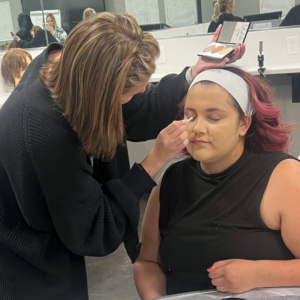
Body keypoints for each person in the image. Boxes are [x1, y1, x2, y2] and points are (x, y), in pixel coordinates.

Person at [0, 12, 244, 300]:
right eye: (130, 93)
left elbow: (137, 109)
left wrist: (193, 73)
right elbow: (93, 231)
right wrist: (154, 161)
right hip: (24, 266)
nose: (198, 128)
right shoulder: (47, 134)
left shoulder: (65, 65)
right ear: (102, 94)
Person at [134, 67, 300, 299]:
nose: (197, 128)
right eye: (190, 116)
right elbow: (148, 263)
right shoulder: (170, 181)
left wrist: (259, 273)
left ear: (243, 123)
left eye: (213, 118)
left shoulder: (283, 176)